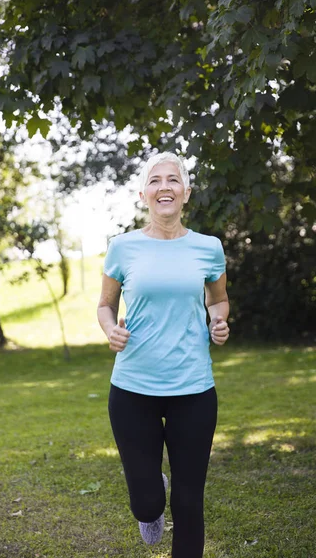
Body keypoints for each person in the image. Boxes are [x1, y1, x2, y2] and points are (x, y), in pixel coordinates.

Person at [97, 152, 230, 558]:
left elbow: (219, 300)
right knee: (149, 501)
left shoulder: (208, 248)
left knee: (189, 502)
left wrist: (218, 321)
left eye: (173, 180)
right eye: (155, 181)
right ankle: (149, 506)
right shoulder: (122, 248)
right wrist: (109, 329)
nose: (164, 187)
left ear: (186, 192)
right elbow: (105, 304)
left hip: (193, 387)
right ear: (143, 194)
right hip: (133, 388)